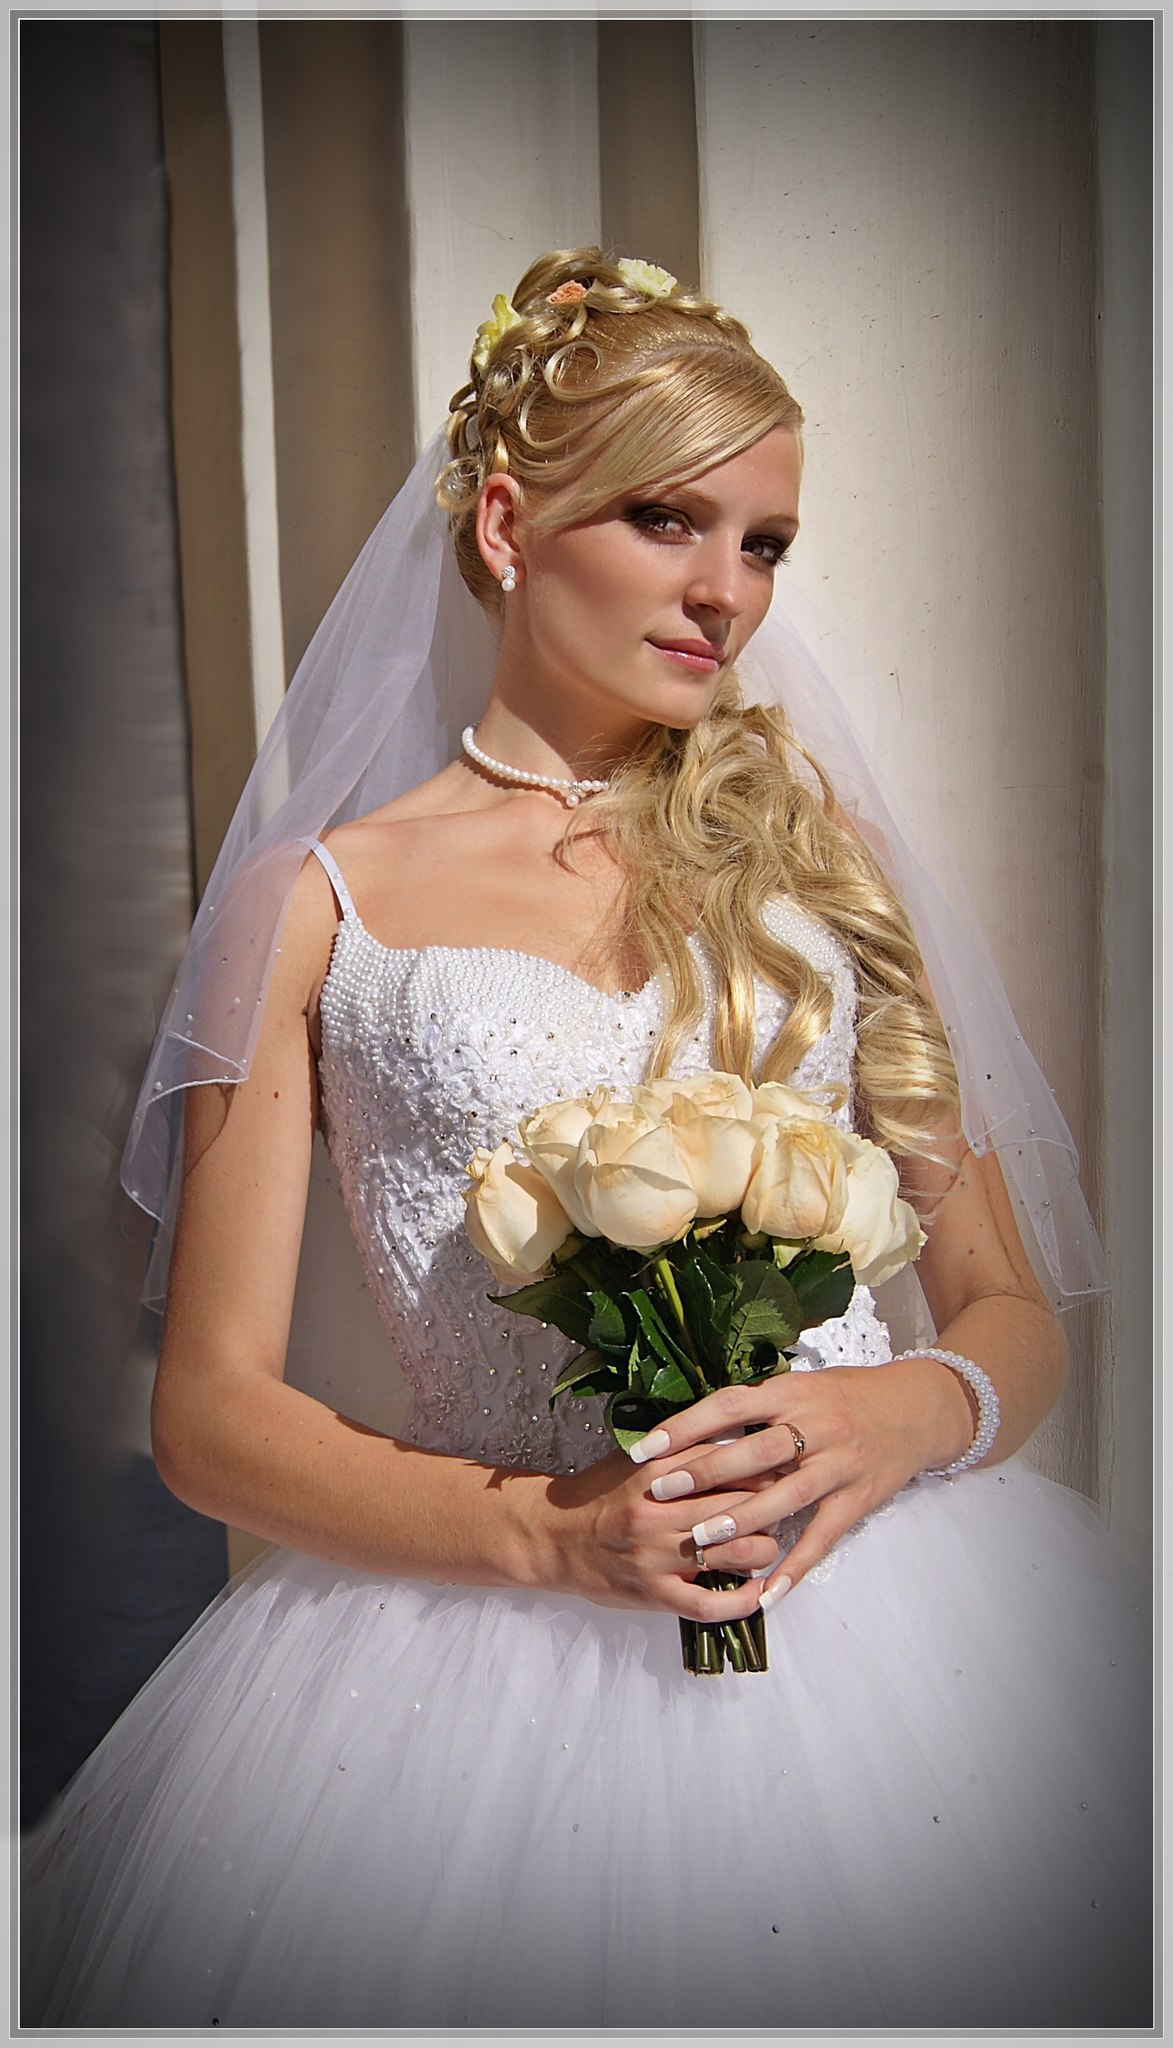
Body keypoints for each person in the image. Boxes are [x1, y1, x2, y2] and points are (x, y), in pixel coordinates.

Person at [22, 249, 1151, 2029]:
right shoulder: (311, 905)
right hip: (474, 1654)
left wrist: (896, 1413)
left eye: (764, 544)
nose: (725, 593)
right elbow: (210, 1415)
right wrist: (554, 1540)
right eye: (665, 519)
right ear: (504, 525)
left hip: (889, 1617)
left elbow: (1006, 1308)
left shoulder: (818, 859)